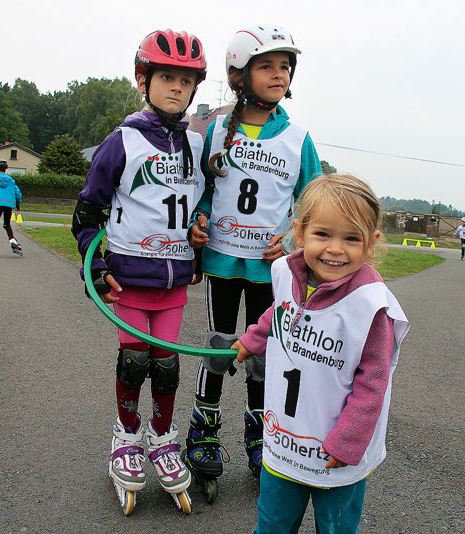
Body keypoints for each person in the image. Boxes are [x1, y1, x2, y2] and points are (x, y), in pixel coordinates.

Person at [71, 29, 207, 514]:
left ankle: (163, 438)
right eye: (167, 76)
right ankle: (126, 438)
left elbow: (194, 210)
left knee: (166, 366)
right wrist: (98, 261)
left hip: (174, 284)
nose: (177, 88)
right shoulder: (121, 141)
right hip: (131, 279)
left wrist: (198, 234)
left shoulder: (195, 146)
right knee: (134, 363)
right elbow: (87, 214)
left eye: (187, 81)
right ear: (143, 79)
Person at [183, 23, 322, 494]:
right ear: (239, 74)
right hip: (223, 259)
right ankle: (203, 433)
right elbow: (205, 191)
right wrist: (199, 221)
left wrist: (293, 237)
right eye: (267, 66)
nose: (279, 74)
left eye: (285, 67)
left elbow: (313, 200)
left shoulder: (298, 138)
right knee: (221, 344)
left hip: (270, 266)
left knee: (264, 352)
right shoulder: (218, 129)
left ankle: (261, 437)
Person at [231, 174, 409, 534]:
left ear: (371, 243)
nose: (335, 249)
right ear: (300, 232)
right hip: (284, 441)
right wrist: (254, 338)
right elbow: (280, 311)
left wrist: (347, 441)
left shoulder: (371, 306)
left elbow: (373, 383)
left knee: (337, 528)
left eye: (351, 238)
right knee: (272, 526)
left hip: (337, 453)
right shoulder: (285, 273)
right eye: (323, 234)